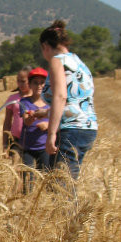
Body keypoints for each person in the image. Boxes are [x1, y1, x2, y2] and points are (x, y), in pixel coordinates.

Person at [40, 20, 98, 180]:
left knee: (61, 187)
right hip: (87, 128)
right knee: (63, 182)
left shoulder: (57, 61)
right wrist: (44, 113)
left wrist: (51, 134)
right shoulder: (79, 63)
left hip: (71, 130)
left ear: (45, 46)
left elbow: (60, 96)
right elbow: (74, 101)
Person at [18, 67, 50, 192]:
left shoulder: (50, 103)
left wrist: (47, 125)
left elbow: (57, 120)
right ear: (30, 84)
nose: (39, 85)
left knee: (45, 180)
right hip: (28, 148)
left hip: (44, 147)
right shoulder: (24, 102)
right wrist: (30, 118)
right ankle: (27, 203)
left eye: (42, 82)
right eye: (35, 82)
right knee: (28, 182)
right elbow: (25, 120)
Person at [1, 68, 31, 162]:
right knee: (17, 169)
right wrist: (5, 144)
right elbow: (7, 122)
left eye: (23, 81)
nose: (20, 84)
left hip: (32, 140)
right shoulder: (12, 99)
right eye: (18, 81)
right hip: (16, 140)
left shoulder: (36, 98)